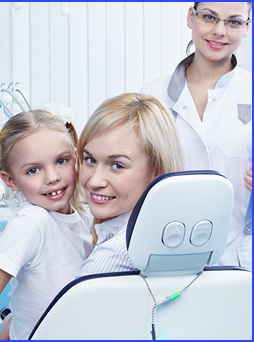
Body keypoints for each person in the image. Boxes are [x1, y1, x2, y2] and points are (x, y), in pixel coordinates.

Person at [0, 109, 93, 339]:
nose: (52, 177)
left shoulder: (84, 214)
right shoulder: (32, 222)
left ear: (75, 158)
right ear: (11, 180)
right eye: (33, 170)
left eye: (61, 161)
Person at [140, 2, 252, 270]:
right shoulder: (152, 95)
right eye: (210, 17)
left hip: (239, 256)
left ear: (247, 27)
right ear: (191, 17)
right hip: (167, 250)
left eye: (234, 22)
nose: (220, 31)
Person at [76, 93, 183, 277]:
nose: (94, 181)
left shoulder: (107, 261)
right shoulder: (172, 236)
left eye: (117, 165)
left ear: (157, 172)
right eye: (90, 159)